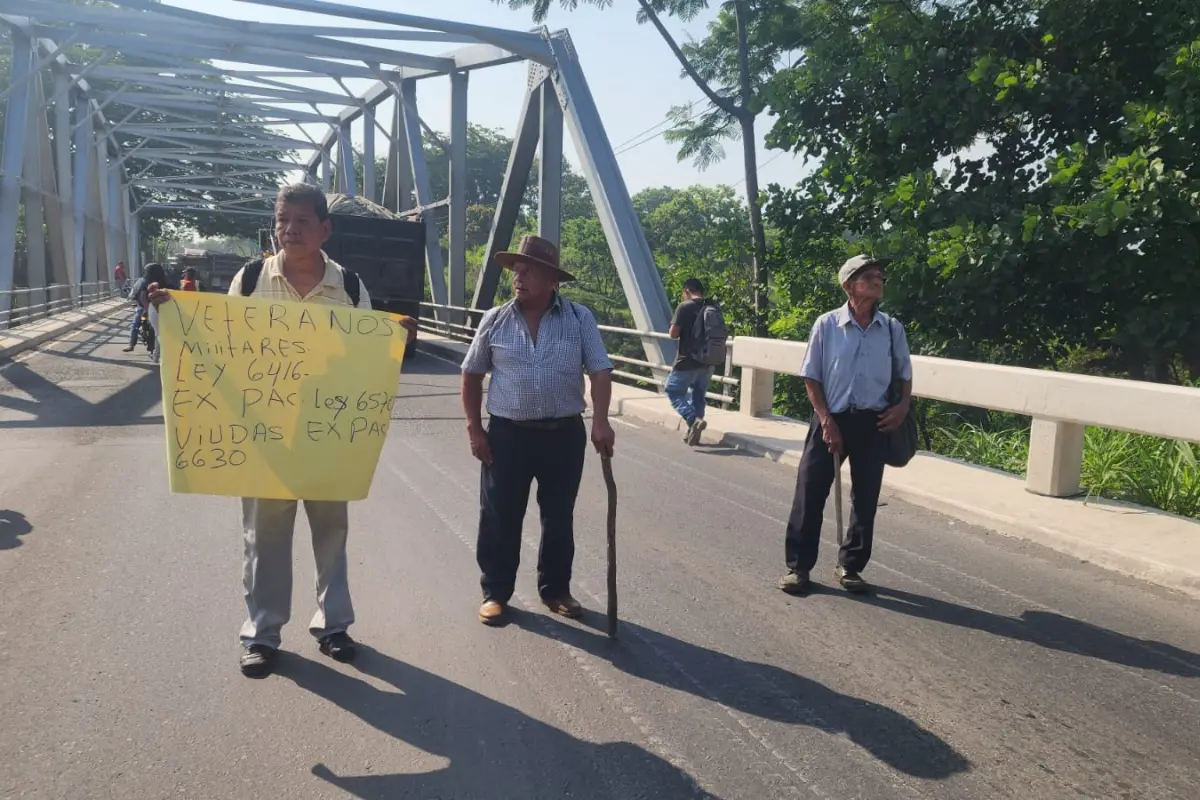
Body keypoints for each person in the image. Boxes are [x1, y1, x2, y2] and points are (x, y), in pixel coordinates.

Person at [148, 182, 418, 678]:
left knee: (331, 533)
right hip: (263, 434)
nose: (290, 230)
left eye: (301, 221)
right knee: (264, 537)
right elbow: (217, 343)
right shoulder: (250, 280)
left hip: (326, 433)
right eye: (282, 220)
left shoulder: (351, 287)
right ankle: (262, 634)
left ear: (324, 229)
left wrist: (394, 341)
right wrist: (171, 313)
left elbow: (366, 361)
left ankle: (334, 626)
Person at [461, 234, 616, 626]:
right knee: (500, 515)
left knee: (559, 516)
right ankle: (495, 592)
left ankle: (556, 590)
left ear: (552, 280)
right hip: (508, 435)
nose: (520, 275)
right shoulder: (494, 319)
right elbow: (471, 373)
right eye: (517, 268)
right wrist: (475, 429)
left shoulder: (579, 318)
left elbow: (599, 369)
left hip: (563, 435)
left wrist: (600, 420)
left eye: (530, 269)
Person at [778, 255, 913, 595]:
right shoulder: (826, 325)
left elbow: (904, 375)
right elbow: (811, 376)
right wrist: (826, 420)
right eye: (868, 276)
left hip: (874, 422)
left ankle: (850, 566)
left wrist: (901, 409)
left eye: (879, 275)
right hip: (831, 418)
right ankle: (798, 568)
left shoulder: (892, 329)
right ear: (849, 285)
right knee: (810, 492)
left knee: (866, 498)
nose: (878, 279)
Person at [666, 278, 721, 446]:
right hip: (707, 360)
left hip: (687, 360)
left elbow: (673, 333)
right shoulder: (713, 306)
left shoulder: (685, 306)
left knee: (673, 391)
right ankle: (693, 433)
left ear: (687, 291)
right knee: (698, 395)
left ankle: (692, 420)